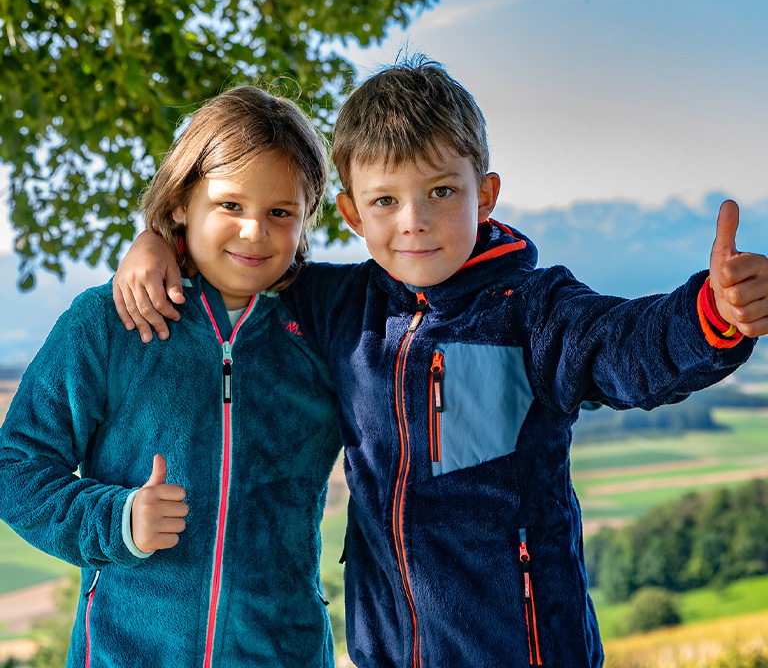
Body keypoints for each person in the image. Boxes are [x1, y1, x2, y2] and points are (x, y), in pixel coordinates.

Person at [112, 57, 768, 668]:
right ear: (350, 215)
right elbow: (246, 260)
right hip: (388, 652)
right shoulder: (339, 306)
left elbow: (628, 344)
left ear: (484, 195)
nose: (415, 222)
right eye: (385, 201)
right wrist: (158, 240)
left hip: (524, 649)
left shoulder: (533, 312)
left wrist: (712, 312)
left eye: (441, 193)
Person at [0, 86, 342, 668]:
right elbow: (16, 468)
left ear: (307, 217)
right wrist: (119, 520)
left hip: (283, 652)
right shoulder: (109, 323)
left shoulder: (328, 327)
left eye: (280, 212)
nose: (254, 232)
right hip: (124, 652)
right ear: (182, 202)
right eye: (230, 206)